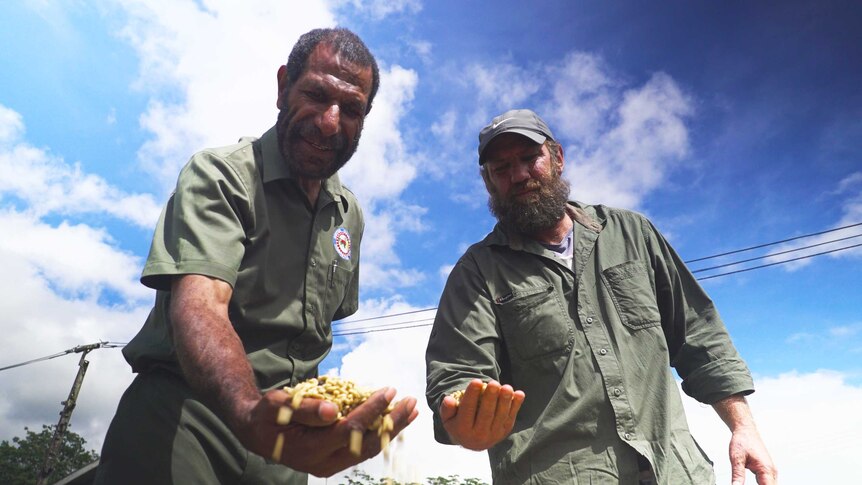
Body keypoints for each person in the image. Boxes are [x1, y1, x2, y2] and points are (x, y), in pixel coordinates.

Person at [95, 28, 418, 485]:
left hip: (285, 443)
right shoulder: (222, 175)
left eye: (351, 109)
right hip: (186, 417)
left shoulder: (349, 216)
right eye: (316, 94)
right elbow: (201, 303)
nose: (330, 122)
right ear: (284, 86)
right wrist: (248, 410)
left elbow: (315, 337)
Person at [425, 109, 777, 484]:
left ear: (557, 157)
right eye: (502, 167)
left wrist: (744, 428)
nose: (520, 175)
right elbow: (458, 375)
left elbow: (699, 335)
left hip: (674, 471)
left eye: (530, 158)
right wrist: (467, 422)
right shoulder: (478, 271)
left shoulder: (632, 232)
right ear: (488, 182)